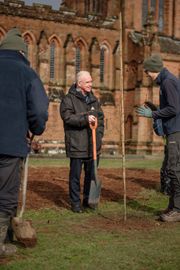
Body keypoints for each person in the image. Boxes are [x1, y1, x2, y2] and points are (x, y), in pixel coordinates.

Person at [0, 27, 49, 256]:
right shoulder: (26, 72)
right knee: (6, 194)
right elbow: (39, 109)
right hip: (9, 145)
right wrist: (35, 129)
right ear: (21, 52)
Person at [136, 53, 180, 222]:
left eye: (148, 73)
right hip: (174, 130)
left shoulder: (168, 82)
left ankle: (177, 209)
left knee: (174, 169)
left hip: (176, 131)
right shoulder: (168, 81)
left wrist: (153, 113)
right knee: (172, 169)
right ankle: (172, 207)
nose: (148, 76)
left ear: (153, 70)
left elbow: (174, 109)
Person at [60, 71, 104, 213]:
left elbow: (101, 119)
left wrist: (99, 136)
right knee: (75, 177)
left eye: (91, 81)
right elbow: (67, 118)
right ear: (79, 84)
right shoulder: (68, 99)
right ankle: (75, 203)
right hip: (77, 145)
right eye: (87, 82)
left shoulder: (94, 100)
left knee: (90, 175)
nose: (91, 84)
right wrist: (85, 119)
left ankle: (87, 201)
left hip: (93, 146)